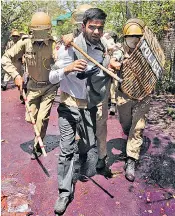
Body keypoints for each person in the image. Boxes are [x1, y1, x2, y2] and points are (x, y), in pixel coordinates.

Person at [49, 8, 110, 214]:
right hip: (68, 106)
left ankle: (83, 157)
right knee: (66, 151)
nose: (95, 31)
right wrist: (67, 68)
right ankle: (64, 192)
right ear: (83, 26)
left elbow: (105, 70)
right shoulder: (68, 48)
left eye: (99, 28)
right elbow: (52, 77)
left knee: (86, 145)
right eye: (91, 27)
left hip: (89, 107)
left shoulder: (102, 50)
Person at [1, 12, 59, 159]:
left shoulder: (53, 44)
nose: (40, 34)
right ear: (31, 30)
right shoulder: (25, 43)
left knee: (42, 118)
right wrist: (16, 75)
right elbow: (5, 58)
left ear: (48, 30)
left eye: (43, 31)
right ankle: (38, 135)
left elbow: (62, 61)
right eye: (37, 31)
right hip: (32, 86)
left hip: (50, 87)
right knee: (30, 117)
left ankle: (37, 145)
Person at [109, 18, 151, 182]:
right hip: (124, 95)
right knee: (126, 125)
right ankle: (130, 137)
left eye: (137, 36)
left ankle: (131, 159)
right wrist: (118, 64)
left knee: (138, 127)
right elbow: (113, 61)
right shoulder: (120, 49)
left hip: (143, 95)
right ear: (125, 36)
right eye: (131, 36)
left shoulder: (147, 50)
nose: (134, 39)